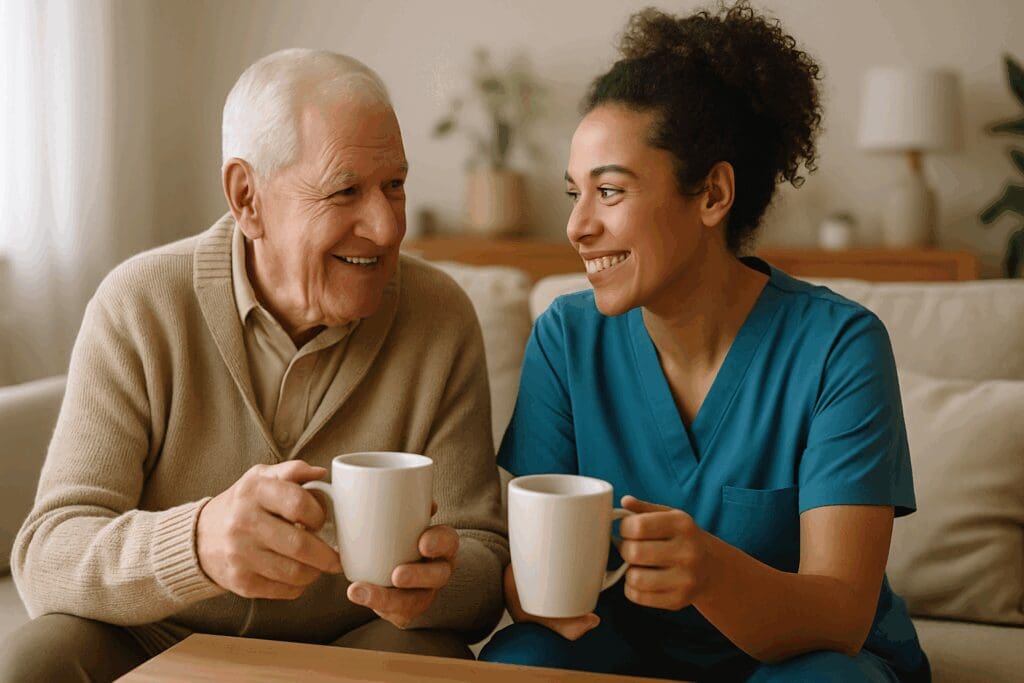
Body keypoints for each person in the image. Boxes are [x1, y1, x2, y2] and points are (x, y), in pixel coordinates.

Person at [2, 49, 508, 682]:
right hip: (153, 645)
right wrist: (195, 545)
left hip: (348, 651)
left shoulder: (440, 316)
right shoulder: (141, 304)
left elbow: (485, 557)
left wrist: (437, 584)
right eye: (345, 190)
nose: (384, 227)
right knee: (32, 658)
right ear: (248, 199)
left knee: (433, 664)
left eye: (395, 185)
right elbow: (47, 554)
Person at [479, 4, 930, 682]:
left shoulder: (840, 346)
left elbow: (841, 613)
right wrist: (534, 591)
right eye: (575, 193)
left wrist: (712, 572)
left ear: (713, 194)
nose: (576, 226)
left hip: (799, 662)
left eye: (608, 191)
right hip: (624, 651)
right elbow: (526, 582)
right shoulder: (566, 339)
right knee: (521, 661)